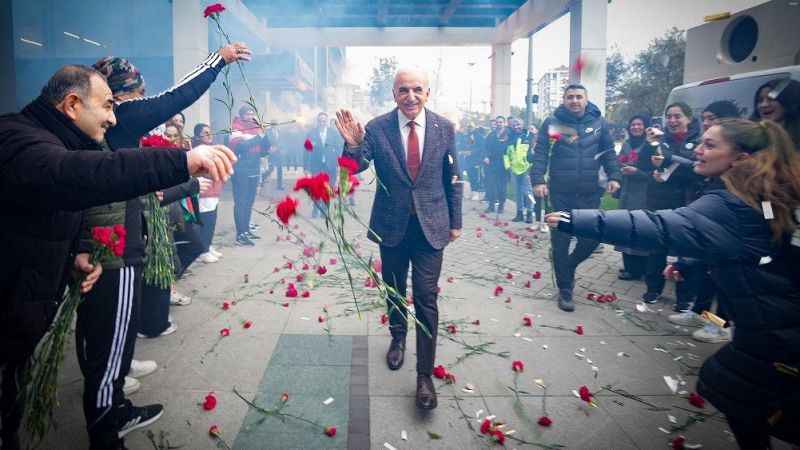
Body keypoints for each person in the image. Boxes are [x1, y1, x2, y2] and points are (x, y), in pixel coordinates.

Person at [0, 65, 236, 450]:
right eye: (108, 106)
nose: (114, 118)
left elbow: (58, 202)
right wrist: (183, 161)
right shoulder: (18, 139)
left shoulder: (57, 139)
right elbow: (70, 176)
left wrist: (75, 253)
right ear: (72, 104)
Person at [545, 118, 800, 450]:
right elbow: (739, 243)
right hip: (774, 325)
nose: (698, 150)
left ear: (738, 157)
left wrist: (575, 219)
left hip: (777, 331)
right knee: (735, 387)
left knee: (733, 386)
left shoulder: (732, 203)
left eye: (710, 144)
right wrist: (689, 260)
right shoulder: (764, 192)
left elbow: (661, 226)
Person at [77, 46, 247, 450]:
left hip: (106, 240)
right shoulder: (122, 113)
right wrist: (217, 60)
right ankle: (106, 429)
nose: (121, 111)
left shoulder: (98, 125)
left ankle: (115, 405)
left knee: (105, 335)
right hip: (113, 246)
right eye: (136, 93)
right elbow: (176, 97)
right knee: (108, 344)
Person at [335, 67, 462, 410]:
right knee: (393, 289)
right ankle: (398, 338)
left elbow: (454, 177)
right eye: (403, 90)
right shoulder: (377, 128)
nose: (410, 96)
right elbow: (354, 166)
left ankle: (424, 376)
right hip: (391, 227)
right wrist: (352, 144)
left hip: (431, 228)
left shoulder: (444, 128)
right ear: (394, 94)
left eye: (417, 89)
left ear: (427, 93)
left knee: (425, 297)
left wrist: (456, 220)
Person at [530, 84, 621, 312]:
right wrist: (538, 180)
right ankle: (565, 290)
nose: (574, 101)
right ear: (564, 100)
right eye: (570, 97)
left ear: (586, 100)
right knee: (560, 242)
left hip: (590, 193)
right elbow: (540, 152)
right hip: (560, 193)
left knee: (592, 238)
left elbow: (609, 152)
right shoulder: (554, 122)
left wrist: (614, 176)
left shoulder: (599, 124)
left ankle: (568, 267)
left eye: (579, 97)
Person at [665, 100, 741, 343]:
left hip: (738, 250)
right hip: (716, 239)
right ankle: (701, 313)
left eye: (713, 118)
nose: (699, 150)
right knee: (708, 273)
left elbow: (770, 212)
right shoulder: (716, 178)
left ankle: (720, 325)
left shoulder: (754, 187)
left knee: (725, 280)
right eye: (705, 118)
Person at [637, 102, 701, 304]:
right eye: (669, 116)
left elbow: (696, 168)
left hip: (687, 202)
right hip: (659, 200)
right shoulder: (658, 138)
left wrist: (670, 166)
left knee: (685, 251)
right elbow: (643, 164)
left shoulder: (699, 140)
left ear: (688, 118)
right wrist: (650, 153)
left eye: (678, 116)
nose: (672, 121)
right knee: (657, 246)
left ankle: (684, 299)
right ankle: (653, 289)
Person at [615, 115, 651, 280]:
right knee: (625, 228)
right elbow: (619, 162)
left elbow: (657, 172)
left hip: (644, 193)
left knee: (641, 229)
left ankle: (642, 269)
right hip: (627, 192)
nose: (636, 127)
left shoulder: (651, 145)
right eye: (633, 124)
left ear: (645, 127)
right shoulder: (627, 144)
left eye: (639, 124)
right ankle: (630, 268)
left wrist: (637, 172)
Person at [230, 105, 270, 246]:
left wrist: (265, 135)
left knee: (249, 202)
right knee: (240, 202)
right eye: (247, 114)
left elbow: (265, 150)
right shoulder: (236, 127)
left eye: (252, 113)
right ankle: (240, 235)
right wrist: (259, 136)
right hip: (241, 170)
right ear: (241, 116)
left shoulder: (255, 127)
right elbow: (241, 147)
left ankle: (246, 230)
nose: (250, 116)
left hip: (254, 169)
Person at [193, 123, 224, 263]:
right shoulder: (198, 150)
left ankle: (208, 246)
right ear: (198, 135)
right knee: (206, 221)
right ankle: (202, 251)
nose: (209, 134)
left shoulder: (210, 148)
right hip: (205, 190)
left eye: (210, 131)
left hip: (214, 189)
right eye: (205, 132)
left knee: (212, 220)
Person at [304, 112, 340, 218]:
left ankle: (325, 211)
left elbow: (339, 149)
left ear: (327, 122)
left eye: (324, 121)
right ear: (317, 121)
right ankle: (315, 210)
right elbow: (306, 151)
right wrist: (306, 168)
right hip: (316, 166)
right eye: (320, 121)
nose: (322, 123)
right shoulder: (311, 134)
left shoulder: (333, 133)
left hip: (331, 166)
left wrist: (339, 163)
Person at [751, 78, 800, 148]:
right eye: (760, 100)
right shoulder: (752, 137)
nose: (764, 105)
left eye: (772, 99)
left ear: (789, 101)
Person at [504, 119, 534, 223]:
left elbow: (532, 153)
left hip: (526, 169)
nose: (516, 126)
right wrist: (508, 166)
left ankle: (530, 213)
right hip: (514, 170)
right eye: (515, 124)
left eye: (519, 124)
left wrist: (530, 167)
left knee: (527, 191)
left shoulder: (529, 136)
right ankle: (519, 213)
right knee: (518, 193)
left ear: (523, 125)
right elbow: (505, 154)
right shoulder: (510, 137)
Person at [482, 116, 510, 214]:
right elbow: (485, 147)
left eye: (501, 122)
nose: (499, 124)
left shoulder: (508, 134)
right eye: (497, 122)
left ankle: (501, 206)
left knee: (502, 186)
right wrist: (486, 156)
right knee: (491, 185)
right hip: (492, 163)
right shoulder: (491, 135)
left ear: (504, 123)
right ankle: (491, 205)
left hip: (503, 164)